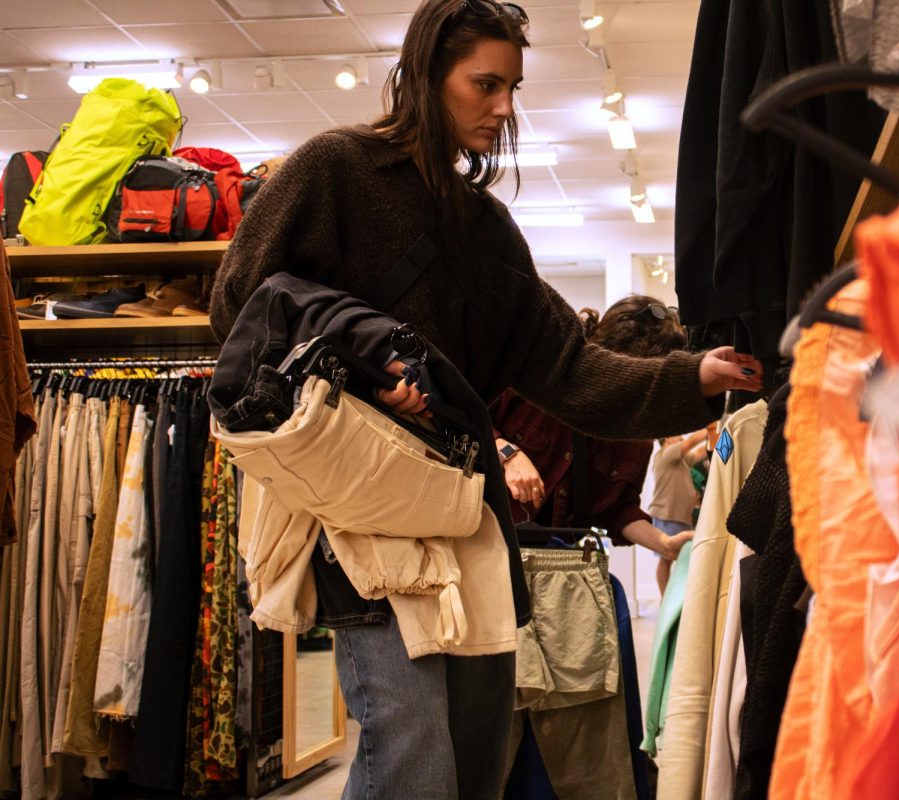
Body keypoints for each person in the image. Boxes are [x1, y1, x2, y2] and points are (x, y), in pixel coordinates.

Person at [208, 0, 763, 796]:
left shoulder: (485, 231)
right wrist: (358, 386)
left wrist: (695, 378)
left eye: (513, 87)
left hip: (459, 512)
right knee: (412, 745)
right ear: (427, 77)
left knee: (472, 754)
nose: (503, 107)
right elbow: (241, 314)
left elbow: (569, 369)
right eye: (485, 84)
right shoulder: (334, 171)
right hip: (355, 506)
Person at [491, 296, 695, 565]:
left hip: (556, 570)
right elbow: (469, 419)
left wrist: (665, 545)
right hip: (484, 548)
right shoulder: (539, 374)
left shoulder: (635, 436)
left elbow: (617, 510)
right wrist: (508, 453)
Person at [647, 424, 711, 593]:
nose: (681, 435)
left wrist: (715, 439)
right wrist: (710, 428)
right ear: (667, 438)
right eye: (677, 434)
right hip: (667, 516)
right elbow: (691, 442)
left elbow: (698, 453)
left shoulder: (680, 460)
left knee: (679, 558)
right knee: (666, 558)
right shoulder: (665, 455)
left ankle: (674, 597)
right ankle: (665, 599)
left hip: (680, 517)